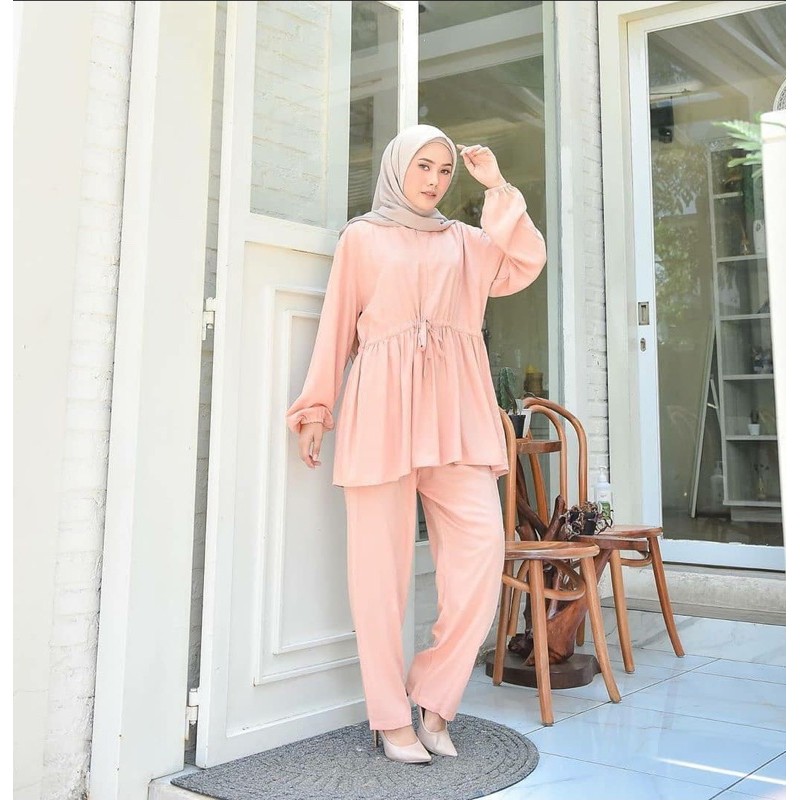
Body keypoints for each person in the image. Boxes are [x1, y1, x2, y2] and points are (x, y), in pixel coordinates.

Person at [286, 124, 546, 764]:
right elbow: (337, 325)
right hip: (381, 411)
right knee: (378, 576)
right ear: (397, 168)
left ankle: (435, 699)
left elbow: (524, 261)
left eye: (444, 170)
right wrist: (317, 406)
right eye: (423, 166)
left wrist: (497, 188)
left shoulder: (466, 243)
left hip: (457, 413)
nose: (433, 180)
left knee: (482, 553)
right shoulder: (362, 238)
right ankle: (389, 717)